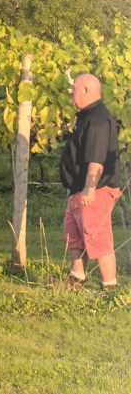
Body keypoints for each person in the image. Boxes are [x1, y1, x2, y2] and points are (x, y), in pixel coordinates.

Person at [60, 73, 122, 291]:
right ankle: (77, 278)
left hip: (95, 189)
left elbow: (96, 159)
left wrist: (89, 188)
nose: (70, 93)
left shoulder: (97, 119)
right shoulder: (87, 116)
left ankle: (110, 287)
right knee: (74, 235)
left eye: (74, 89)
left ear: (86, 89)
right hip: (78, 188)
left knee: (98, 237)